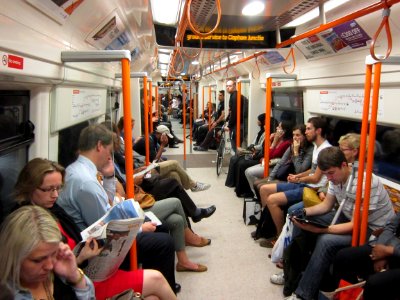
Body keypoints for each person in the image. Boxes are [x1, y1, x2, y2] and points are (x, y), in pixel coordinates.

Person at [13, 158, 178, 299]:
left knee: (153, 296)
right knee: (156, 278)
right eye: (48, 189)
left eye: (58, 188)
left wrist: (85, 255)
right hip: (81, 279)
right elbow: (56, 271)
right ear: (29, 187)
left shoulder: (55, 211)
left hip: (87, 270)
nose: (55, 195)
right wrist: (79, 260)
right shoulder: (29, 225)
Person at [57, 124, 179, 292]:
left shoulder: (76, 170)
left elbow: (105, 207)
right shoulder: (86, 182)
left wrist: (108, 177)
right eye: (108, 149)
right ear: (99, 146)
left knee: (161, 226)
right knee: (163, 243)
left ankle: (161, 284)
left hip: (99, 235)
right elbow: (108, 228)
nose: (110, 155)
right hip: (100, 249)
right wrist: (140, 229)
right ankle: (162, 287)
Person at [284, 147, 395, 300]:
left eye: (330, 173)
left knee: (326, 241)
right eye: (325, 174)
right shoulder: (334, 177)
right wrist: (304, 213)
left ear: (344, 165)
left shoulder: (365, 182)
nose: (328, 178)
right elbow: (326, 205)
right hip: (349, 218)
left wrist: (322, 230)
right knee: (298, 220)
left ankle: (304, 294)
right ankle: (293, 275)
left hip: (372, 229)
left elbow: (356, 225)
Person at [0, 205, 95, 299]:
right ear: (13, 258)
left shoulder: (59, 272)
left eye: (54, 254)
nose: (49, 266)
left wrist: (74, 276)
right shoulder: (9, 294)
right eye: (38, 260)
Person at [260, 117, 331, 236]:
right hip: (305, 183)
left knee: (272, 200)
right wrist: (297, 176)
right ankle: (267, 224)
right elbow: (311, 170)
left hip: (312, 188)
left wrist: (297, 179)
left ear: (318, 131)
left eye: (309, 129)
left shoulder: (325, 150)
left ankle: (279, 236)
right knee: (264, 189)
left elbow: (316, 178)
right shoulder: (316, 147)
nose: (306, 132)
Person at [331, 212, 400, 300]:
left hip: (393, 252)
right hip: (388, 248)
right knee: (344, 257)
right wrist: (379, 251)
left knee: (375, 283)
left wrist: (390, 251)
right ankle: (347, 297)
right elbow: (390, 227)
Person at [242, 120, 293, 197]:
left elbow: (270, 155)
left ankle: (258, 195)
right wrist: (270, 140)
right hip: (269, 163)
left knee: (249, 172)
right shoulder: (279, 139)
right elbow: (266, 151)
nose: (276, 128)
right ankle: (257, 193)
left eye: (279, 127)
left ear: (284, 131)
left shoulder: (287, 143)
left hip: (275, 167)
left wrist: (274, 142)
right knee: (247, 170)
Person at [224, 80, 247, 152]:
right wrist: (227, 119)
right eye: (227, 86)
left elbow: (234, 112)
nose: (228, 88)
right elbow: (232, 111)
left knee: (235, 145)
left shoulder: (235, 96)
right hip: (238, 123)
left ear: (234, 86)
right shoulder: (235, 95)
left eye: (230, 86)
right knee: (236, 144)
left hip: (238, 124)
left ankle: (237, 161)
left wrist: (229, 125)